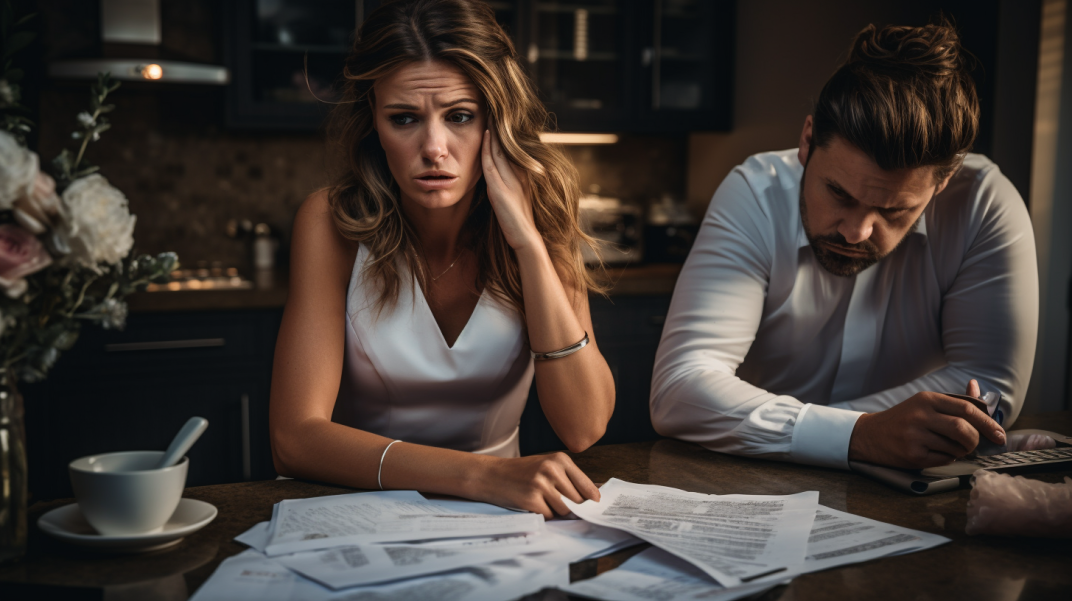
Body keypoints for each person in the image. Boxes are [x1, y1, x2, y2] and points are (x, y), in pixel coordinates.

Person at [269, 0, 615, 518]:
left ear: (495, 122)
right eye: (404, 118)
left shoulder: (541, 216)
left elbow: (584, 426)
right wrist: (481, 475)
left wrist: (528, 244)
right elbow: (295, 439)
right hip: (358, 510)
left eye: (459, 117)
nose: (434, 147)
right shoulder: (329, 222)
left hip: (503, 522)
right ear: (374, 127)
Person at [650, 21, 1038, 471]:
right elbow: (679, 388)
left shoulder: (984, 203)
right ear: (807, 139)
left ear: (943, 182)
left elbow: (989, 385)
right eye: (839, 194)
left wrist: (837, 432)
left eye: (894, 211)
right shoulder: (754, 196)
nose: (857, 231)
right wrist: (861, 435)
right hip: (753, 481)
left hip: (907, 493)